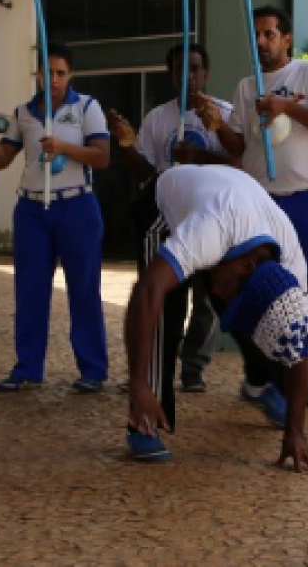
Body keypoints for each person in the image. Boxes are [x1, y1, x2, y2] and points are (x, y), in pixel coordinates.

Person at [124, 164, 308, 471]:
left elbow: (300, 347)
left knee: (262, 319)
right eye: (229, 288)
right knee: (165, 311)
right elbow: (147, 290)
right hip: (166, 205)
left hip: (232, 207)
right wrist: (136, 382)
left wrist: (295, 431)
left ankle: (258, 385)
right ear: (245, 264)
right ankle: (146, 418)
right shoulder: (210, 228)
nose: (218, 294)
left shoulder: (290, 264)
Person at [203, 5, 308, 406]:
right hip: (261, 200)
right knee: (262, 286)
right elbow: (242, 148)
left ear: (286, 38)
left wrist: (287, 108)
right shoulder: (247, 87)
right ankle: (268, 377)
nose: (261, 41)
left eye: (269, 34)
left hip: (306, 194)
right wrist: (217, 125)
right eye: (257, 35)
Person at [0, 43, 111, 394]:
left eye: (60, 73)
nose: (53, 79)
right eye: (46, 72)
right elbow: (1, 161)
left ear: (71, 75)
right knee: (30, 290)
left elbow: (102, 156)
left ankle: (93, 369)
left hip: (76, 206)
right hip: (32, 209)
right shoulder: (23, 113)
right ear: (37, 73)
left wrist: (64, 148)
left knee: (83, 289)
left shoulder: (86, 107)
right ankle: (28, 367)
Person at [107, 42, 229, 411]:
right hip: (167, 220)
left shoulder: (223, 113)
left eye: (195, 69)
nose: (188, 76)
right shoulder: (158, 118)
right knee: (165, 297)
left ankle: (194, 366)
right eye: (180, 70)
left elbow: (238, 164)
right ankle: (157, 372)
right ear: (170, 75)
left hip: (210, 218)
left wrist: (199, 155)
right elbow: (145, 173)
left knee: (208, 300)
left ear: (205, 73)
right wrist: (126, 144)